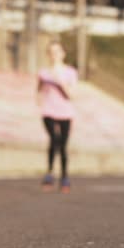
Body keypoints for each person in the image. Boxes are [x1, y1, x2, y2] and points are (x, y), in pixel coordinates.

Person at [36, 41, 78, 194]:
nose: (54, 55)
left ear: (63, 54)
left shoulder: (70, 72)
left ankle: (65, 175)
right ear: (48, 55)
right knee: (54, 139)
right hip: (48, 111)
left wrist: (60, 81)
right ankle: (49, 172)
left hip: (65, 112)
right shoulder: (43, 72)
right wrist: (39, 101)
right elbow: (39, 90)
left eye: (57, 51)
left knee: (63, 144)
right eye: (51, 52)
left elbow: (72, 95)